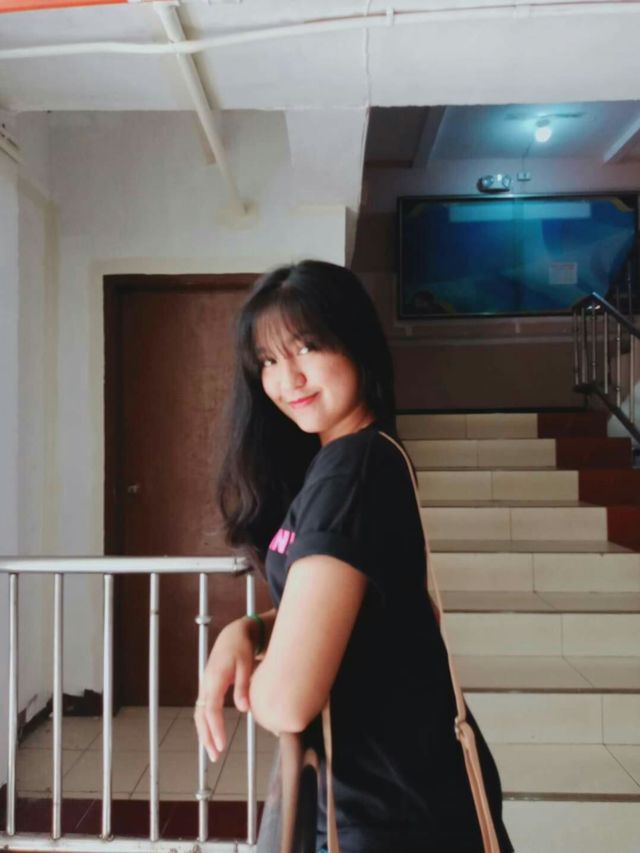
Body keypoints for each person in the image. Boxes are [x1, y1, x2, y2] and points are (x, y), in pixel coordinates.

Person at [194, 261, 514, 853]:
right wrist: (250, 629)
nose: (288, 378)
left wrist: (251, 681)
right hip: (387, 800)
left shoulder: (355, 468)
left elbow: (287, 701)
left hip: (390, 815)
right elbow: (351, 609)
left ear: (355, 344)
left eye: (307, 347)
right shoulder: (348, 462)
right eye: (268, 361)